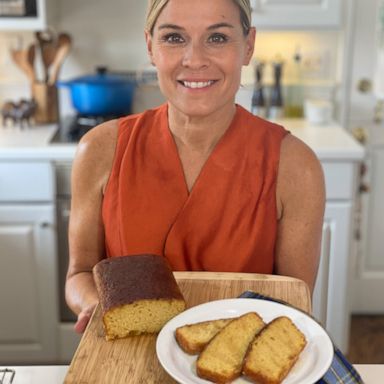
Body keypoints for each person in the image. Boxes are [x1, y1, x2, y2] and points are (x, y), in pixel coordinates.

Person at [66, 0, 325, 334]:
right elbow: (79, 274)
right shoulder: (100, 150)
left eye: (217, 38)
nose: (195, 60)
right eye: (174, 38)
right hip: (127, 357)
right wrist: (93, 304)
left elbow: (293, 305)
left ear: (247, 47)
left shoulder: (296, 166)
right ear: (150, 47)